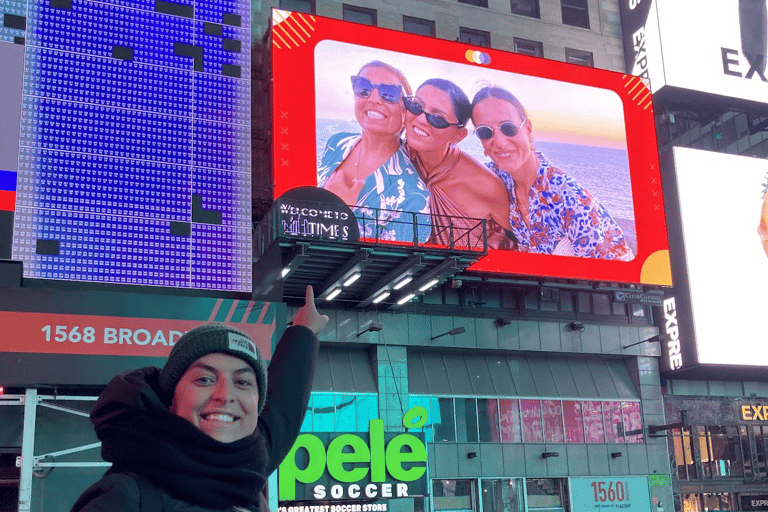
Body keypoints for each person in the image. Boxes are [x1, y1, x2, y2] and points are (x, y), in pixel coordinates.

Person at [70, 286, 329, 512]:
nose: (225, 395)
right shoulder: (123, 497)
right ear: (171, 399)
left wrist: (304, 332)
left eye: (242, 382)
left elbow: (283, 408)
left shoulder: (245, 467)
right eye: (204, 379)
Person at [471, 85, 634, 260]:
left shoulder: (569, 197)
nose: (500, 142)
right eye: (484, 132)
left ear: (528, 129)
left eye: (508, 128)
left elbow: (603, 275)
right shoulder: (500, 176)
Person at [317, 61, 430, 243]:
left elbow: (395, 267)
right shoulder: (336, 142)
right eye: (363, 87)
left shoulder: (414, 199)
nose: (374, 99)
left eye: (389, 94)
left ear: (406, 110)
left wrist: (337, 212)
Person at [402, 78, 513, 250]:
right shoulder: (396, 158)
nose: (421, 120)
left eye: (438, 118)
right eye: (416, 106)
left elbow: (524, 239)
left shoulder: (485, 185)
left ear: (458, 136)